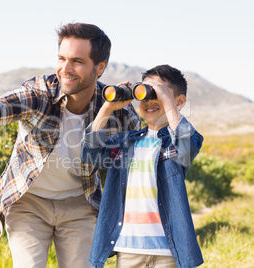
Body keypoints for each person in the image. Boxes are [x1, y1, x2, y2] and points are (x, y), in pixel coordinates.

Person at [0, 22, 140, 268]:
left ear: (100, 67)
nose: (65, 68)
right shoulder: (39, 93)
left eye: (77, 61)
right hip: (28, 201)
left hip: (80, 203)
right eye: (61, 58)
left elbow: (144, 149)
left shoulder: (114, 107)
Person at [81, 64, 204, 268]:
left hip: (167, 251)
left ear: (179, 101)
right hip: (129, 249)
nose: (149, 100)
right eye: (145, 93)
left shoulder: (174, 144)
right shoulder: (126, 142)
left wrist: (165, 98)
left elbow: (187, 146)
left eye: (157, 92)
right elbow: (90, 155)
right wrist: (107, 107)